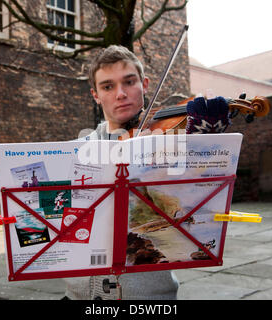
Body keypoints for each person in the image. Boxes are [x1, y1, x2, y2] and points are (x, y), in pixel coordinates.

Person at [63, 45, 230, 300]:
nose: (120, 94)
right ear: (95, 95)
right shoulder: (74, 152)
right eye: (108, 86)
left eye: (129, 82)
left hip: (150, 298)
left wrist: (202, 144)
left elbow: (203, 201)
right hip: (80, 297)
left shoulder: (170, 143)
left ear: (145, 85)